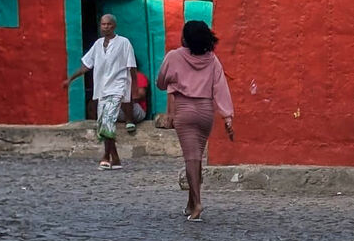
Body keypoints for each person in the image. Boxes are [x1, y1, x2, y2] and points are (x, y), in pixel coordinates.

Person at [156, 20, 235, 222]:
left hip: (185, 110)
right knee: (197, 156)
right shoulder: (213, 60)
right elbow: (220, 88)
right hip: (206, 112)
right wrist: (227, 116)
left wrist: (174, 80)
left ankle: (197, 203)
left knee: (191, 158)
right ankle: (190, 203)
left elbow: (161, 82)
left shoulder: (174, 56)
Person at [64, 14, 137, 170]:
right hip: (101, 90)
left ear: (114, 26)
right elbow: (86, 66)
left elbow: (132, 67)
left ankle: (105, 156)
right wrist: (71, 79)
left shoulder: (124, 43)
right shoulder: (97, 45)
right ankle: (115, 158)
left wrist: (134, 91)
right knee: (103, 123)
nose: (106, 27)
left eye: (109, 24)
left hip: (118, 87)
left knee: (108, 120)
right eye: (103, 24)